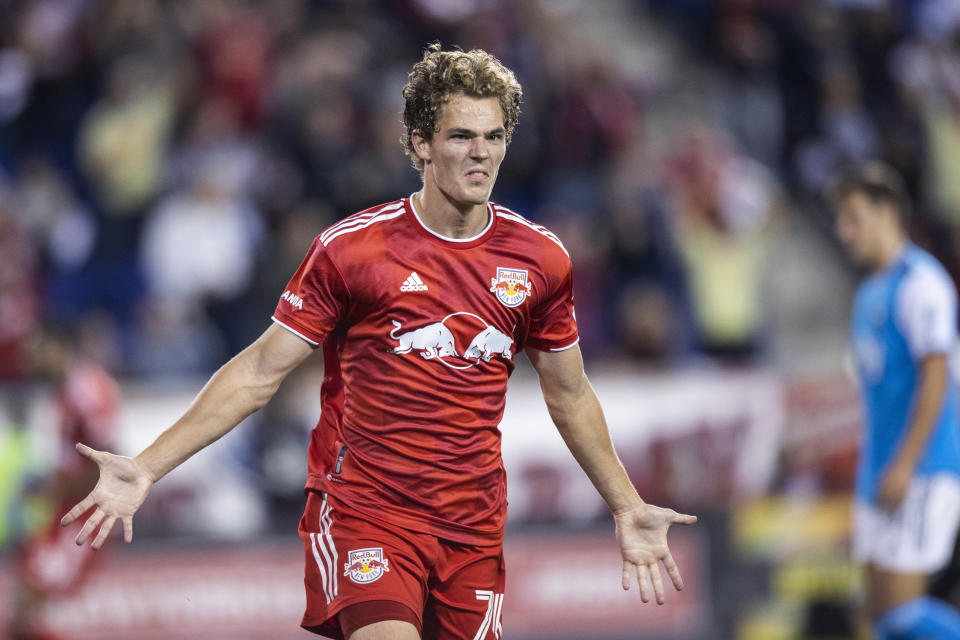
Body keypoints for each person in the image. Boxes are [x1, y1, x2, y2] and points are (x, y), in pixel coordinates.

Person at [61, 45, 696, 640]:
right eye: (461, 136)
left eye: (494, 137)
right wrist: (146, 465)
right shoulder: (353, 250)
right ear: (420, 143)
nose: (481, 154)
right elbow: (260, 371)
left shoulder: (540, 260)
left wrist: (626, 505)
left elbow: (570, 394)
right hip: (367, 510)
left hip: (473, 528)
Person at [832, 162, 960, 639]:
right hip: (878, 472)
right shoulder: (869, 293)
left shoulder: (922, 284)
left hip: (921, 470)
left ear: (887, 213)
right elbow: (875, 393)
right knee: (873, 616)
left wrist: (906, 463)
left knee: (902, 615)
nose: (845, 232)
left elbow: (936, 378)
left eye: (853, 217)